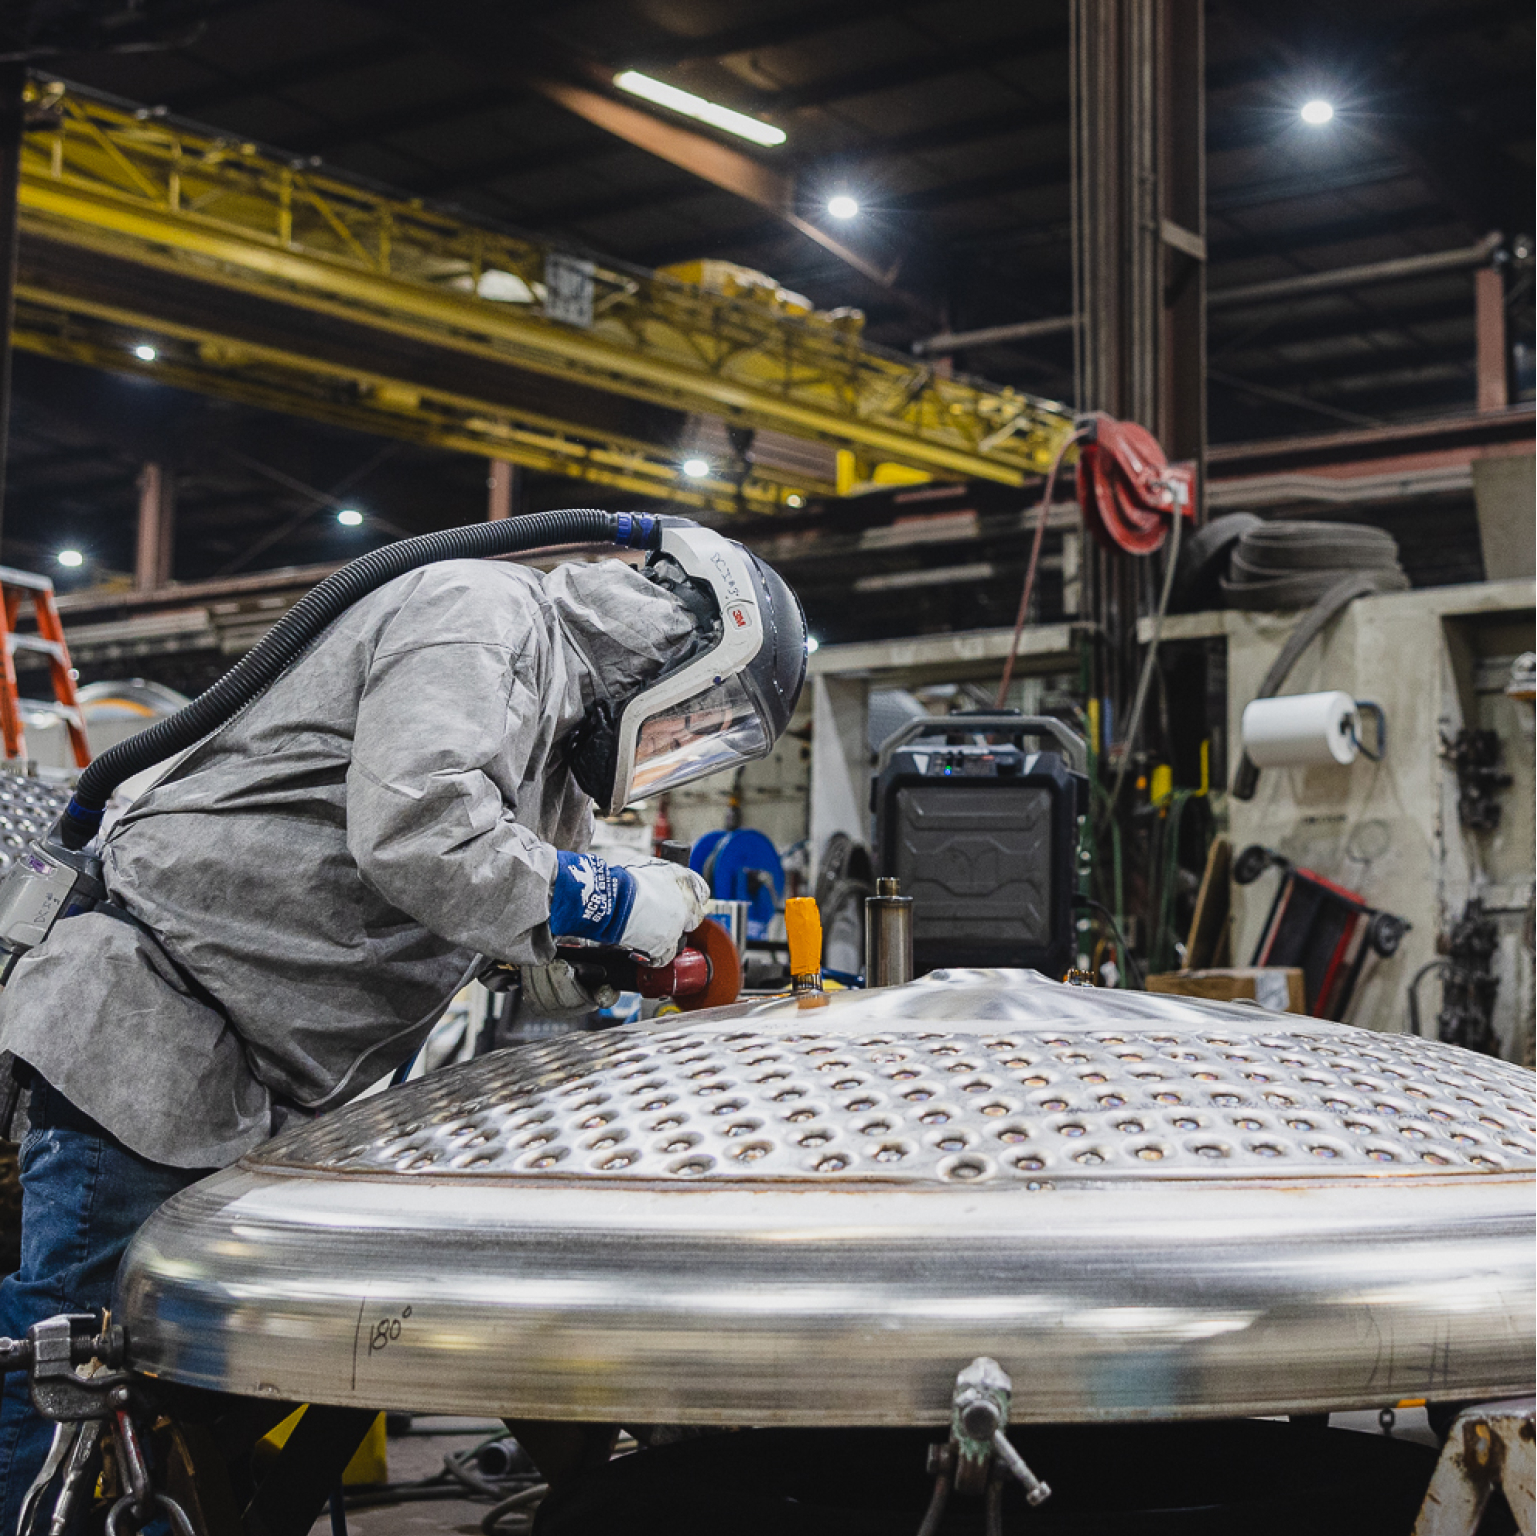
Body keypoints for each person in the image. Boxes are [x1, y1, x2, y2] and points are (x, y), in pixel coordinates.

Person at [0, 519, 807, 1526]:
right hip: (148, 1026)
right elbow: (422, 837)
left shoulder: (554, 750)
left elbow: (519, 927)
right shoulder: (480, 613)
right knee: (79, 1365)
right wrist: (604, 902)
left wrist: (622, 948)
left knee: (190, 1397)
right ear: (675, 640)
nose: (680, 747)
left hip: (254, 1078)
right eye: (703, 719)